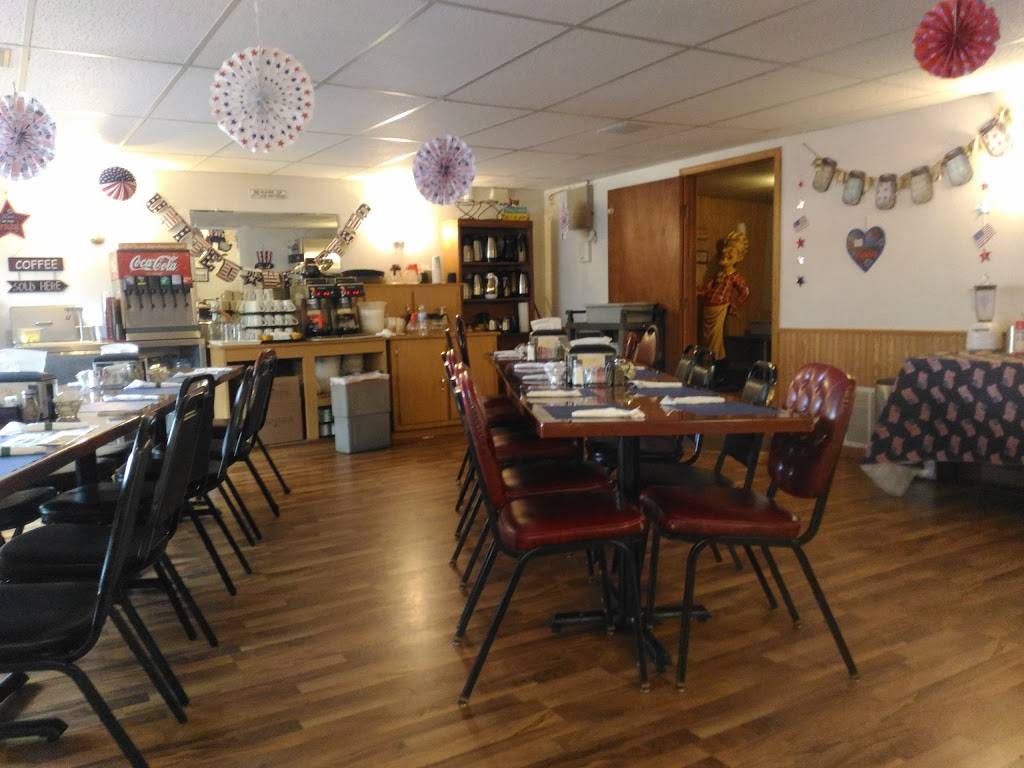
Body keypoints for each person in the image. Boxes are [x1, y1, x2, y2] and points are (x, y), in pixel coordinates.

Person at [698, 224, 750, 361]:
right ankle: (708, 360)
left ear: (739, 257)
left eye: (731, 250)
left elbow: (745, 291)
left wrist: (734, 305)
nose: (725, 252)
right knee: (707, 339)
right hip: (708, 308)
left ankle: (716, 361)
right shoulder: (718, 275)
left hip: (720, 308)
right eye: (726, 248)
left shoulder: (735, 277)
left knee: (716, 339)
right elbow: (707, 289)